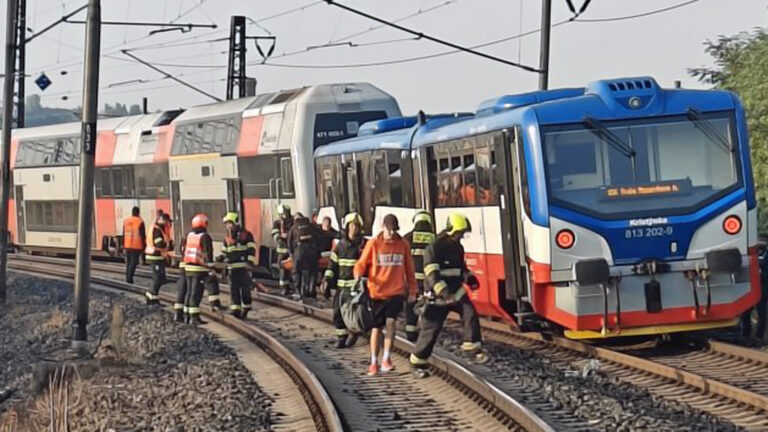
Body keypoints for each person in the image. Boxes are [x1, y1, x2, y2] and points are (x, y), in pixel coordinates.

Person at [410, 212, 487, 378]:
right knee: (431, 329)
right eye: (459, 233)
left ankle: (471, 348)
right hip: (438, 295)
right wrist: (444, 293)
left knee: (470, 313)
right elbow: (431, 274)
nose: (460, 237)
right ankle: (417, 362)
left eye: (462, 234)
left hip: (456, 291)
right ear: (451, 230)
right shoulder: (434, 247)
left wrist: (470, 278)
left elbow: (461, 268)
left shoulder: (457, 247)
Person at [354, 214, 417, 376]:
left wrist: (413, 291)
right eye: (389, 230)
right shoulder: (373, 244)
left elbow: (409, 270)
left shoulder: (402, 244)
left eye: (394, 231)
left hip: (396, 292)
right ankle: (374, 361)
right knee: (377, 327)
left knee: (391, 324)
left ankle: (386, 359)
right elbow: (361, 263)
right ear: (383, 228)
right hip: (377, 293)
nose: (391, 234)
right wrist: (358, 275)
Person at [322, 212, 365, 348]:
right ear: (347, 227)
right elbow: (331, 265)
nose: (354, 228)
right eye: (352, 225)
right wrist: (326, 279)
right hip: (342, 288)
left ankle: (353, 332)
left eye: (357, 226)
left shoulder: (363, 246)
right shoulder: (340, 246)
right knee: (337, 312)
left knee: (355, 314)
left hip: (356, 288)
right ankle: (341, 337)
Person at [403, 211, 435, 342]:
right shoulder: (435, 238)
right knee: (428, 305)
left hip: (413, 280)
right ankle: (426, 332)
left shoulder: (408, 238)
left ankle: (410, 331)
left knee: (411, 305)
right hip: (428, 281)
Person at [219, 212, 256, 319]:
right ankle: (235, 309)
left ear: (235, 223)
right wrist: (221, 257)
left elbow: (251, 249)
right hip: (232, 268)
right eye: (227, 224)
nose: (228, 226)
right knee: (233, 289)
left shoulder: (246, 235)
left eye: (230, 223)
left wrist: (249, 262)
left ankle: (246, 307)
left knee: (245, 289)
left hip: (243, 268)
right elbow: (225, 251)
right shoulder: (227, 237)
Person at [182, 213, 215, 325]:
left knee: (189, 292)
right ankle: (194, 318)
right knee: (196, 293)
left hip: (188, 268)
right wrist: (211, 267)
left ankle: (186, 315)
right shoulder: (204, 237)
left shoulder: (189, 235)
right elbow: (207, 253)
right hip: (199, 268)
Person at [288, 213, 320, 299]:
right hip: (312, 251)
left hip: (300, 251)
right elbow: (319, 237)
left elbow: (289, 241)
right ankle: (312, 289)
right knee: (313, 270)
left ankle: (298, 290)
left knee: (296, 270)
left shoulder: (294, 227)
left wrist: (291, 254)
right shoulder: (311, 226)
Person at [742, 240, 768, 339]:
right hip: (750, 286)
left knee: (761, 311)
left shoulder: (765, 255)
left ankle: (759, 335)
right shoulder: (750, 254)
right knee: (745, 311)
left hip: (763, 286)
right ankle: (746, 333)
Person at [144, 213, 171, 305]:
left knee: (160, 278)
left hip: (158, 257)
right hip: (154, 256)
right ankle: (150, 294)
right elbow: (159, 244)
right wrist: (168, 246)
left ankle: (154, 297)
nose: (168, 224)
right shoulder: (156, 229)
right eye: (167, 221)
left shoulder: (160, 228)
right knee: (157, 278)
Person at [272, 204, 293, 296]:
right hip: (282, 251)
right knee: (283, 270)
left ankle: (292, 287)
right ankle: (284, 288)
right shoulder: (277, 223)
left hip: (291, 250)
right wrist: (280, 237)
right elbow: (274, 234)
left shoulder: (292, 222)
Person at [123, 206, 146, 284]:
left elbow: (124, 234)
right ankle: (130, 277)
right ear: (138, 213)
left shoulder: (126, 221)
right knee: (133, 263)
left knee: (128, 263)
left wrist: (123, 244)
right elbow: (142, 235)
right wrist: (144, 245)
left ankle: (128, 278)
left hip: (127, 245)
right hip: (136, 245)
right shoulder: (140, 221)